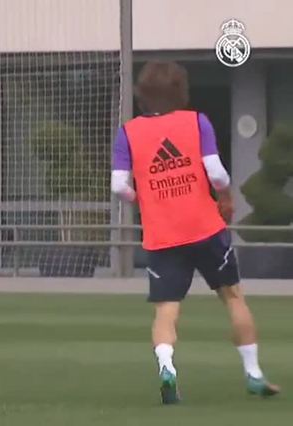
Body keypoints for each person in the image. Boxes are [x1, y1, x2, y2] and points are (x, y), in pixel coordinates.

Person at [111, 61, 280, 404]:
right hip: (205, 227)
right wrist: (227, 199)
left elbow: (118, 186)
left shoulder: (127, 132)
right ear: (181, 91)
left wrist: (140, 197)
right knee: (232, 296)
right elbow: (216, 173)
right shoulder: (196, 121)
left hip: (163, 234)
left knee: (166, 310)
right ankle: (254, 374)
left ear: (143, 95)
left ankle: (167, 368)